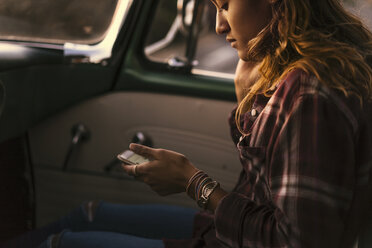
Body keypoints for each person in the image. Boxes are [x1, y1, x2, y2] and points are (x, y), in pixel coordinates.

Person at [4, 0, 372, 247]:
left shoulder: (310, 95)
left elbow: (295, 242)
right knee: (88, 214)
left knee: (64, 243)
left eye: (226, 4)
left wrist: (194, 184)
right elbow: (262, 176)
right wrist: (246, 97)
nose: (219, 24)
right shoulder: (294, 78)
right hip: (223, 234)